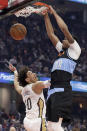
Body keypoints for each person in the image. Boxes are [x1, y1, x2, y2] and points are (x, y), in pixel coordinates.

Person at [41, 6, 81, 131]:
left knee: (56, 126)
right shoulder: (62, 51)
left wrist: (53, 11)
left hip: (62, 91)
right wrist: (45, 15)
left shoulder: (75, 50)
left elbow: (64, 29)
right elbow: (51, 34)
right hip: (52, 91)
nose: (63, 39)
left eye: (65, 39)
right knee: (50, 126)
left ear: (72, 41)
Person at [9, 64, 50, 131]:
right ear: (27, 79)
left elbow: (16, 85)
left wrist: (15, 71)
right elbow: (51, 83)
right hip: (38, 121)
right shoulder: (36, 85)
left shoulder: (23, 90)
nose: (34, 73)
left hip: (27, 121)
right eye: (31, 73)